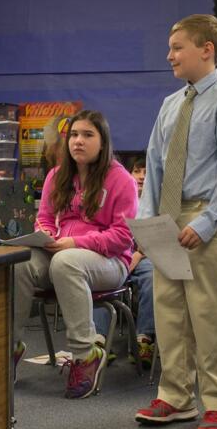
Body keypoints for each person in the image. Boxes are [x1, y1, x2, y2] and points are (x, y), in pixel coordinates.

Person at [134, 14, 217, 429]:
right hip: (168, 214)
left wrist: (206, 222)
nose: (169, 55)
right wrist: (148, 224)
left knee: (207, 311)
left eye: (178, 47)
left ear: (206, 50)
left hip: (206, 215)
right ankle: (176, 396)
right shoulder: (170, 105)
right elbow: (155, 166)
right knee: (168, 312)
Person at [13, 111, 138, 398]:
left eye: (87, 135)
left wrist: (74, 242)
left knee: (66, 262)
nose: (78, 141)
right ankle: (11, 348)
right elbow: (43, 218)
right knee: (18, 263)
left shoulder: (122, 180)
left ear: (103, 141)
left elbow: (122, 238)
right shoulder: (57, 176)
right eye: (74, 135)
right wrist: (46, 234)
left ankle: (85, 356)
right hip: (60, 252)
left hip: (111, 261)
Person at [93, 155, 157, 367]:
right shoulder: (114, 199)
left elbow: (157, 238)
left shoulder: (154, 204)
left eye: (146, 173)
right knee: (97, 279)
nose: (141, 177)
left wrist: (137, 256)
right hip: (115, 257)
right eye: (137, 171)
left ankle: (144, 339)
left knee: (152, 277)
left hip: (143, 258)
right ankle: (99, 341)